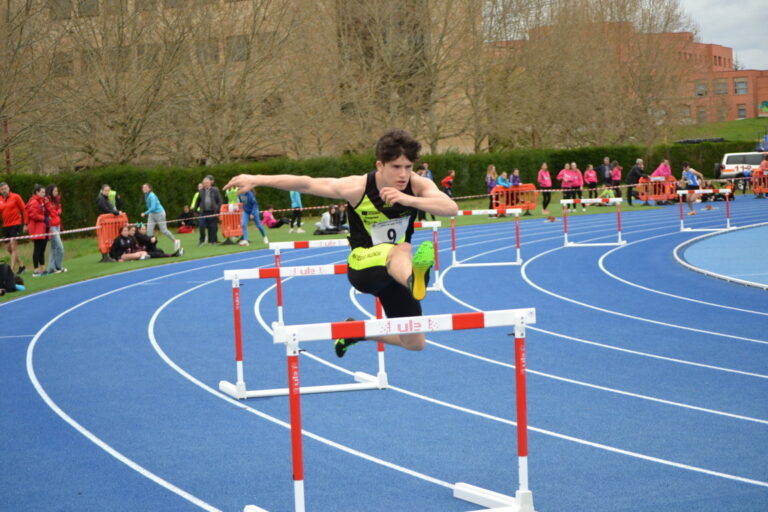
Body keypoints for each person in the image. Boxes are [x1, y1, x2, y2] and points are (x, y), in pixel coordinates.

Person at [224, 128, 458, 355]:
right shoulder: (357, 187)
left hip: (395, 274)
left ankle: (355, 331)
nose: (403, 174)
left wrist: (408, 199)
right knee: (401, 247)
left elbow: (450, 208)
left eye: (408, 167)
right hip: (363, 266)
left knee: (415, 343)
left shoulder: (416, 185)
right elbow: (306, 183)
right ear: (380, 165)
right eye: (396, 167)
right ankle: (414, 279)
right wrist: (257, 179)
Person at [140, 183, 180, 252]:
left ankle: (175, 241)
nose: (144, 189)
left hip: (159, 214)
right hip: (152, 214)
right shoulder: (146, 195)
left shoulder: (152, 196)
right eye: (143, 188)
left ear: (150, 188)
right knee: (149, 231)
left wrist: (145, 213)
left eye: (146, 187)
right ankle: (151, 248)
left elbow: (153, 207)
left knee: (163, 230)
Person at [0, 181, 27, 274]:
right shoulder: (0, 200)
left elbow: (24, 209)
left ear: (9, 188)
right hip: (6, 226)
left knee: (13, 246)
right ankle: (22, 266)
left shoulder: (16, 197)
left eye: (5, 188)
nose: (4, 190)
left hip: (16, 224)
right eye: (2, 189)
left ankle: (11, 271)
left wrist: (26, 224)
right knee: (8, 248)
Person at [26, 184, 50, 277]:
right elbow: (33, 215)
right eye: (42, 192)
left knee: (42, 249)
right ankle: (36, 270)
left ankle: (43, 268)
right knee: (37, 249)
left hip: (42, 228)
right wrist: (43, 218)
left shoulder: (41, 201)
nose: (44, 194)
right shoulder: (34, 202)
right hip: (37, 228)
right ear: (37, 192)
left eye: (44, 192)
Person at [193, 175, 222, 246]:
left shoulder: (215, 190)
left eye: (207, 183)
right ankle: (202, 240)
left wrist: (218, 209)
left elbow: (220, 201)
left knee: (213, 227)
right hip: (203, 212)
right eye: (204, 183)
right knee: (201, 226)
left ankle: (212, 241)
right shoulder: (201, 191)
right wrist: (195, 210)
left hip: (212, 212)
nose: (206, 184)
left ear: (210, 183)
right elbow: (198, 201)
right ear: (203, 184)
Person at [45, 184, 66, 274]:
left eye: (57, 191)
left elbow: (59, 208)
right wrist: (55, 212)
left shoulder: (56, 200)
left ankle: (53, 267)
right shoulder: (47, 200)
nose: (57, 193)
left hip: (57, 225)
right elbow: (49, 211)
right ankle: (57, 266)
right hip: (52, 226)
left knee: (54, 247)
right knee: (60, 247)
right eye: (55, 191)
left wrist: (58, 210)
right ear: (50, 191)